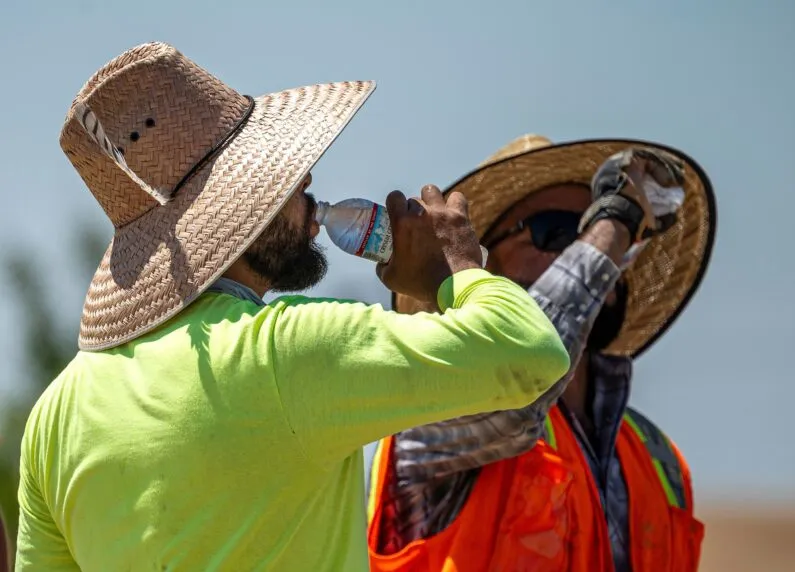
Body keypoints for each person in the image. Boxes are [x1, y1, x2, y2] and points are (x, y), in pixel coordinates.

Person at [14, 43, 571, 571]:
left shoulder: (54, 417)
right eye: (276, 173)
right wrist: (453, 268)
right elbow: (531, 351)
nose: (305, 178)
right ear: (227, 206)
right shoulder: (287, 352)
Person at [366, 135, 718, 571]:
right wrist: (619, 218)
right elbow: (518, 379)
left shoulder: (658, 457)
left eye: (588, 229)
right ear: (487, 274)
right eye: (555, 231)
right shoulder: (430, 406)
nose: (586, 247)